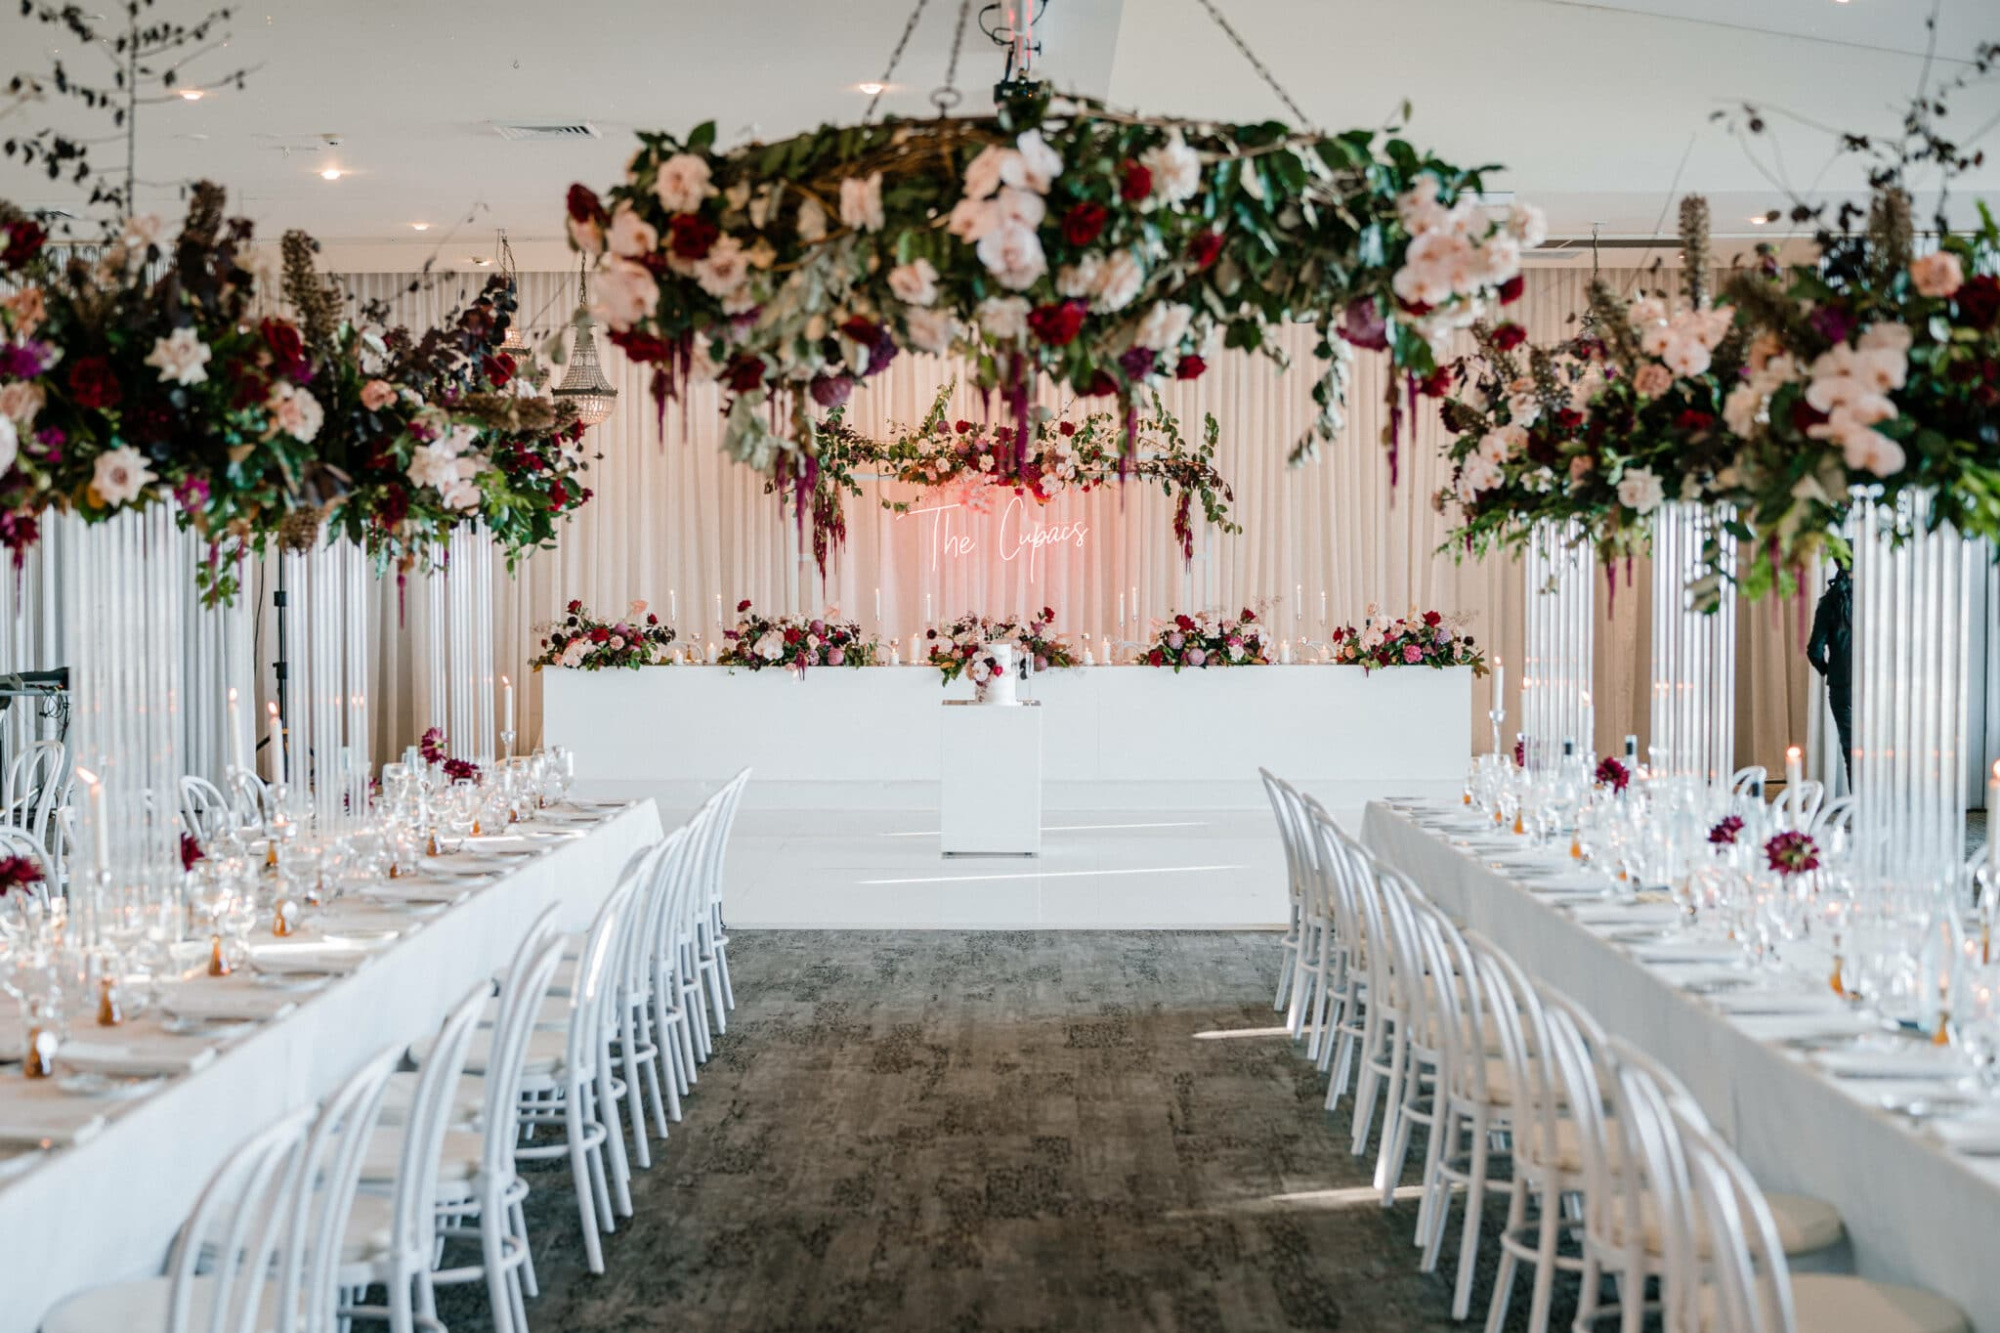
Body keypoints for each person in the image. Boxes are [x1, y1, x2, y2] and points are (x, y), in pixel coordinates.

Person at [1806, 565, 1853, 782]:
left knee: (1852, 753)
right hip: (1875, 686)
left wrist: (1828, 670)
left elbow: (1814, 650)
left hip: (1842, 685)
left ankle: (1859, 811)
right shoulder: (1878, 598)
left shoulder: (1829, 602)